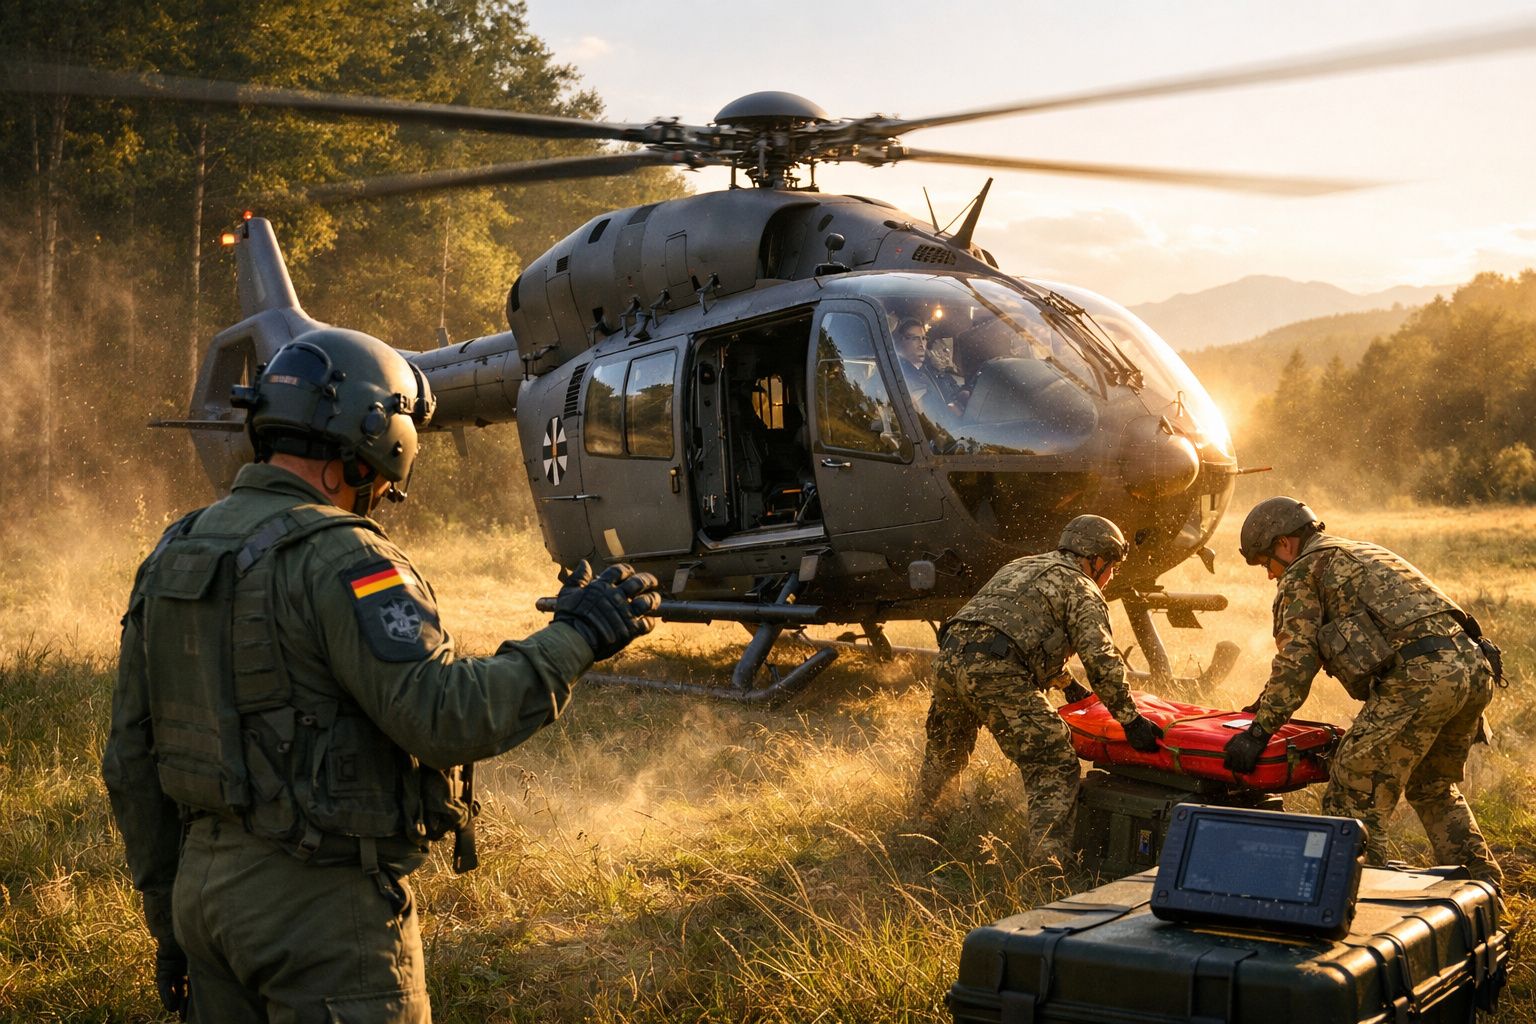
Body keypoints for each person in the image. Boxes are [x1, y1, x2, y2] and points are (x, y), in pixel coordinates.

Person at [103, 327, 662, 1023]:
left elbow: (130, 756)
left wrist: (169, 921)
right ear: (373, 435)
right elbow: (445, 716)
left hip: (205, 899)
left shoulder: (176, 552)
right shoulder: (347, 559)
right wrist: (576, 637)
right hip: (321, 914)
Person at [1223, 496, 1501, 885]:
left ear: (1284, 543)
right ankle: (1485, 892)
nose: (1269, 575)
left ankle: (1359, 909)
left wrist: (1258, 732)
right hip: (1473, 671)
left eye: (1264, 562)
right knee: (1432, 788)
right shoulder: (1361, 551)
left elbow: (1297, 661)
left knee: (1352, 791)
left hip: (1421, 680)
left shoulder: (1303, 571)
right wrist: (1265, 702)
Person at [912, 515, 1163, 865]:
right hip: (997, 673)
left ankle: (919, 835)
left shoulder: (1021, 566)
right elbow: (1101, 660)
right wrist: (1131, 720)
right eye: (1113, 568)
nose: (1111, 578)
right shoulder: (1082, 587)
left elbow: (1015, 628)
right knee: (1054, 762)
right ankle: (1048, 866)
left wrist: (1066, 684)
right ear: (1097, 559)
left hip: (949, 662)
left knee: (944, 755)